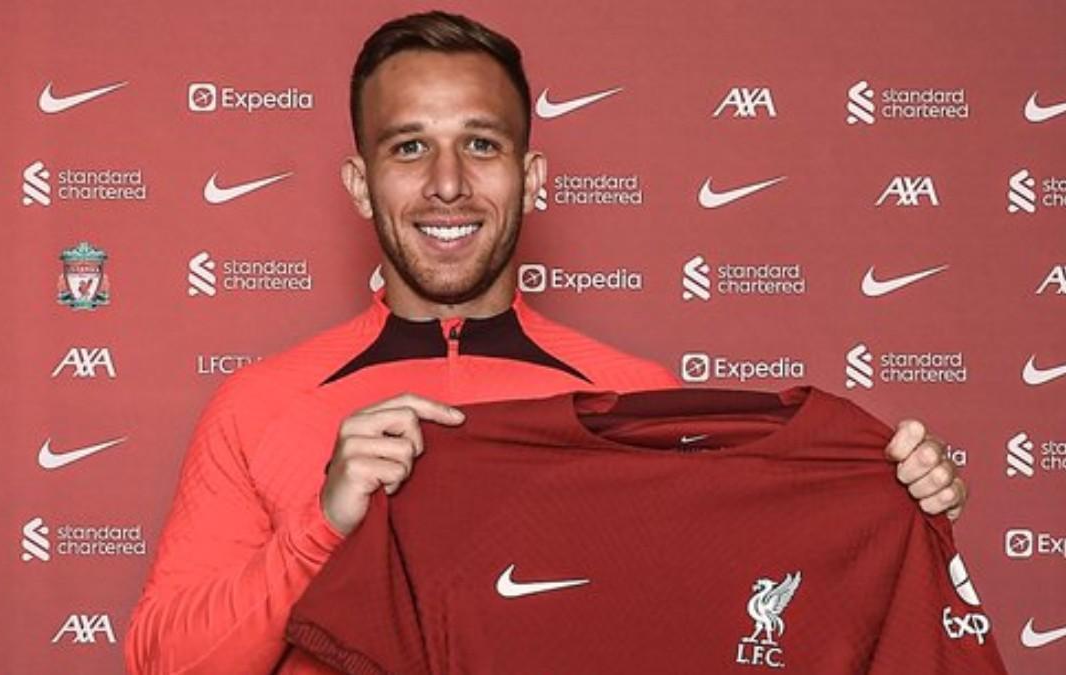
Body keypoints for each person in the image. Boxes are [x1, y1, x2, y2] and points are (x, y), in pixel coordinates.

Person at [125, 11, 966, 675]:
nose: (447, 184)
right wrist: (324, 523)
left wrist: (891, 497)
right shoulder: (257, 406)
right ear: (359, 183)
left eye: (481, 146)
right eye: (409, 146)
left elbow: (749, 622)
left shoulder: (640, 401)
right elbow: (165, 663)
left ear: (532, 178)